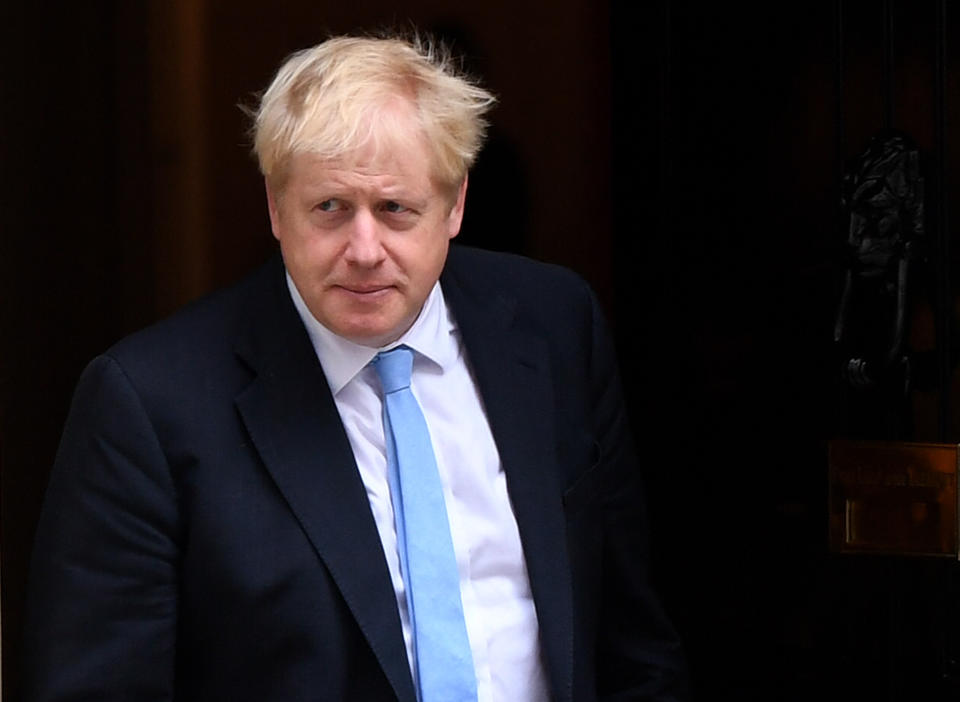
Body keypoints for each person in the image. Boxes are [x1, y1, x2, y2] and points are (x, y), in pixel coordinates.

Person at [24, 34, 689, 701]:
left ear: (455, 204)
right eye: (330, 208)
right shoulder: (149, 402)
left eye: (395, 209)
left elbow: (631, 638)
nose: (364, 249)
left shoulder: (555, 327)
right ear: (275, 207)